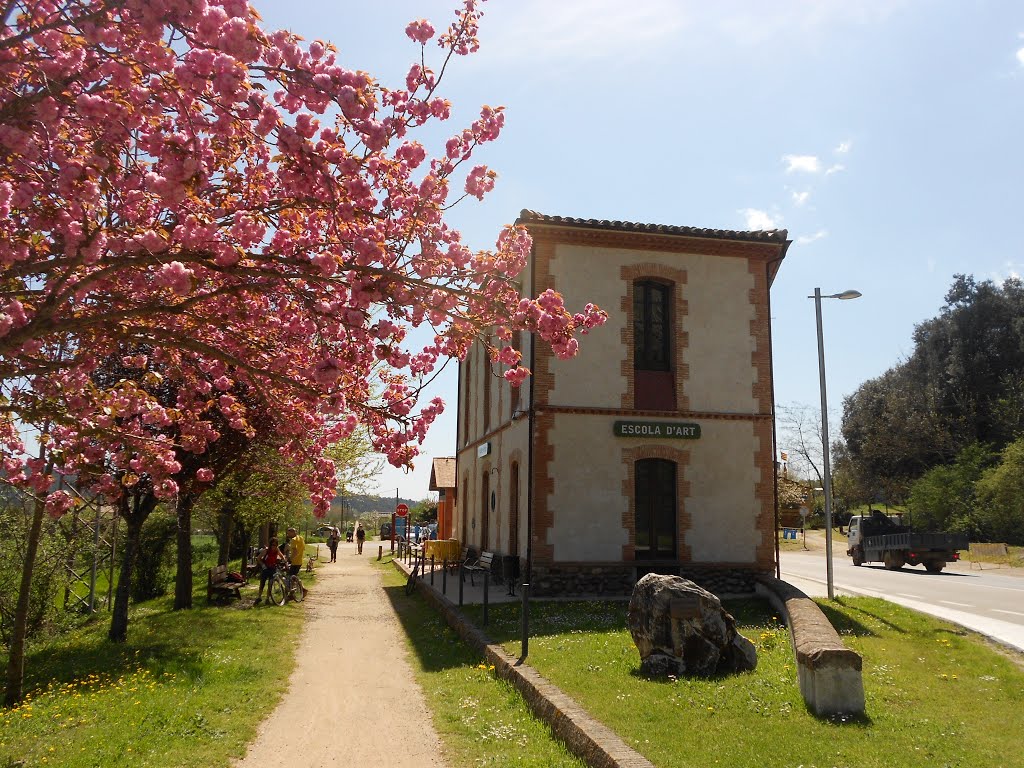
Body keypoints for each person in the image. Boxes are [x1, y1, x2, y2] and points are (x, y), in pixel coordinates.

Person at [254, 537, 283, 604]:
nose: (274, 546)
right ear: (270, 545)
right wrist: (263, 565)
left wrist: (284, 560)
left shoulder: (277, 550)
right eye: (272, 545)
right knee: (262, 583)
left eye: (275, 545)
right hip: (265, 568)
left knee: (270, 583)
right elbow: (258, 558)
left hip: (273, 568)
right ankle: (259, 597)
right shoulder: (266, 550)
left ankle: (267, 598)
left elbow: (281, 555)